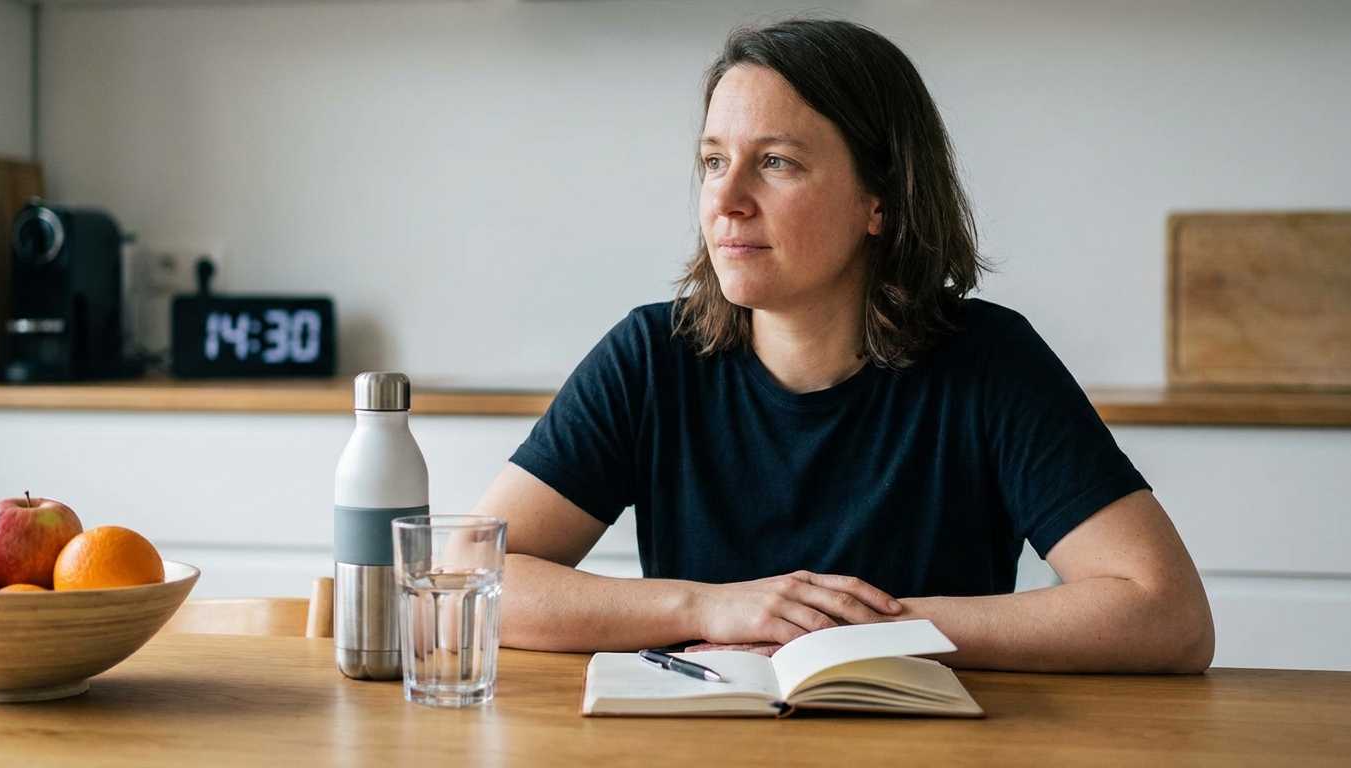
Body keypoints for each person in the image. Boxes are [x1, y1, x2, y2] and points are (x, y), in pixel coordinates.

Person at [471, 18, 1214, 673]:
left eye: (776, 162)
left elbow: (1167, 615)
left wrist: (853, 630)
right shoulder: (649, 356)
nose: (725, 199)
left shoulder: (990, 361)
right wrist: (709, 608)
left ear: (879, 201)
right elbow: (474, 577)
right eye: (712, 161)